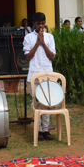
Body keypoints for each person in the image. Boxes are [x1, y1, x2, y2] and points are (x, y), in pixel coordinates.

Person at [24, 12, 57, 140]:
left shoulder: (50, 37)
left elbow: (52, 56)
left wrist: (43, 42)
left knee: (47, 102)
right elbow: (28, 56)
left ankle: (45, 129)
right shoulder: (28, 38)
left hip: (48, 73)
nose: (41, 26)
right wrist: (37, 42)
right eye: (38, 24)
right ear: (34, 24)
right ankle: (37, 130)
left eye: (43, 23)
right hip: (34, 74)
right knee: (36, 103)